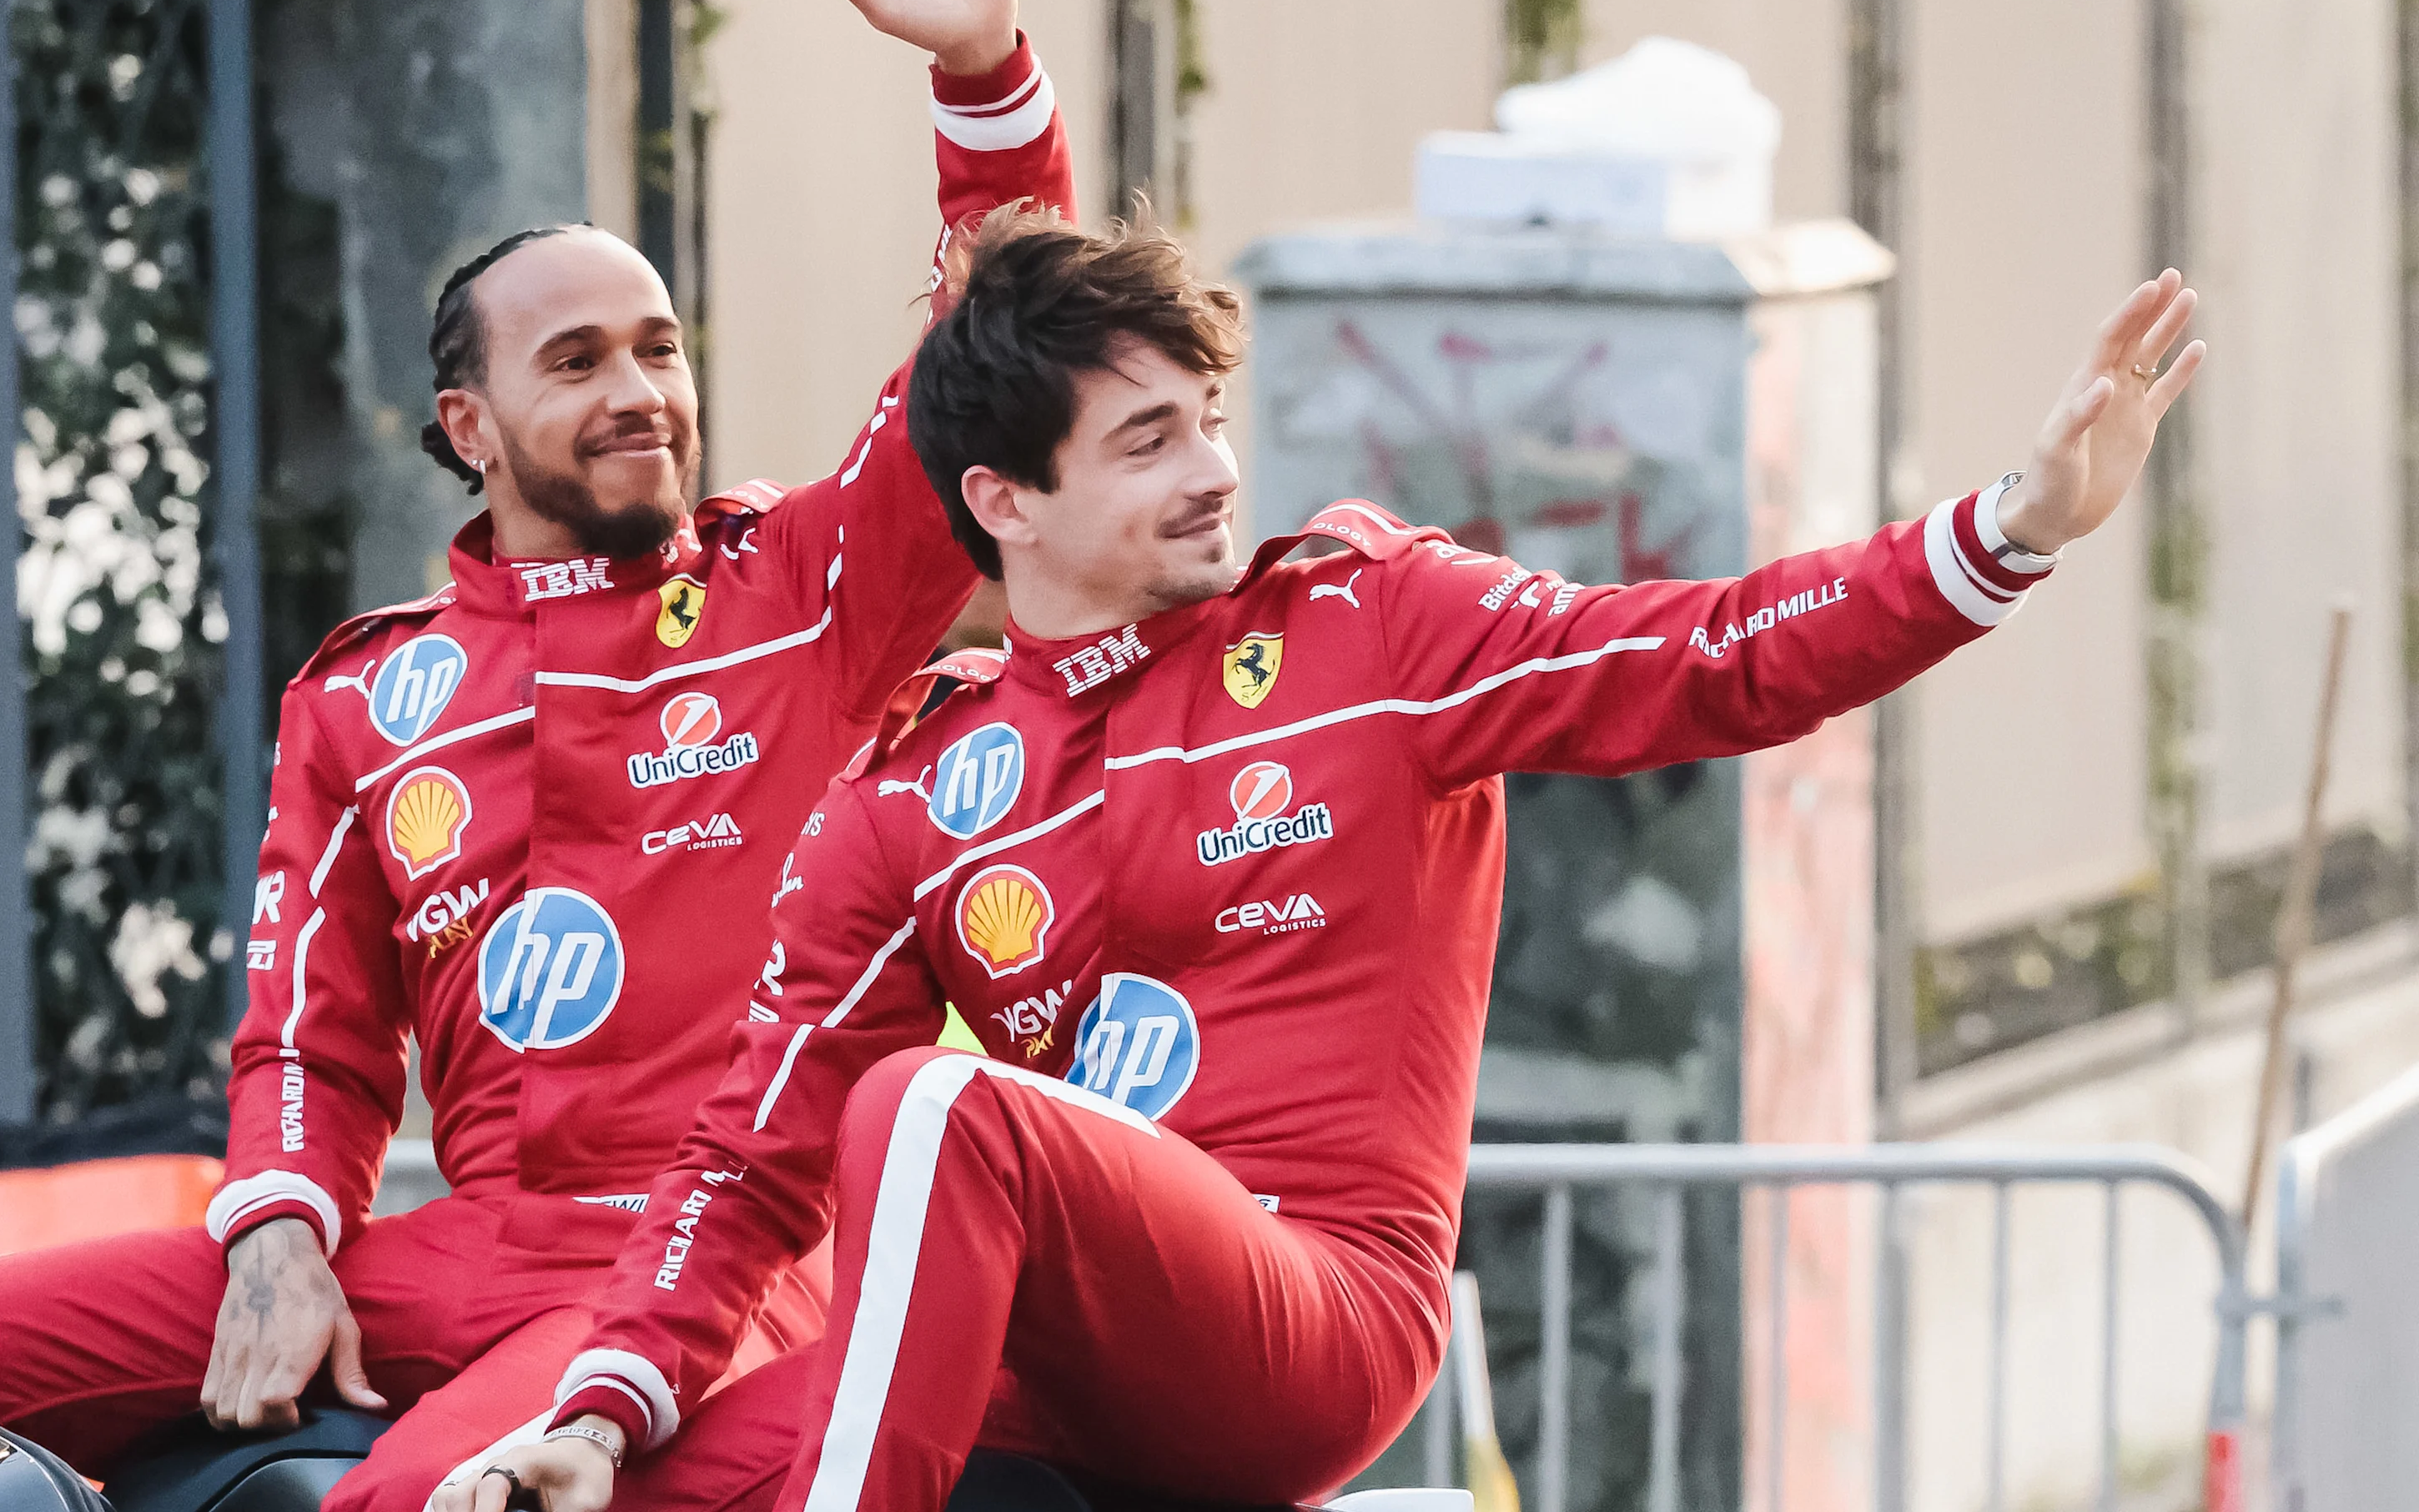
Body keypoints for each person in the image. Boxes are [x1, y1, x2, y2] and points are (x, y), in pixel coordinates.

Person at [449, 212, 2205, 1512]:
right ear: (1005, 502)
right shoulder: (914, 790)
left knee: (928, 1105)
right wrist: (598, 1413)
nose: (1216, 472)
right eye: (1147, 445)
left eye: (1208, 418)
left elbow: (1717, 654)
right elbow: (746, 1160)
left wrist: (2014, 530)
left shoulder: (1376, 623)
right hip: (1054, 1363)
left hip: (1315, 1322)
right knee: (562, 1479)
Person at [0, 0, 1072, 1509]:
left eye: (659, 347)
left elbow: (996, 337)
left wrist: (983, 74)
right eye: (578, 361)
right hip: (466, 1243)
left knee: (412, 1502)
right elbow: (307, 1039)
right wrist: (280, 1235)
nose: (641, 390)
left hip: (719, 1245)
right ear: (467, 426)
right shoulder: (363, 690)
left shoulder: (809, 585)